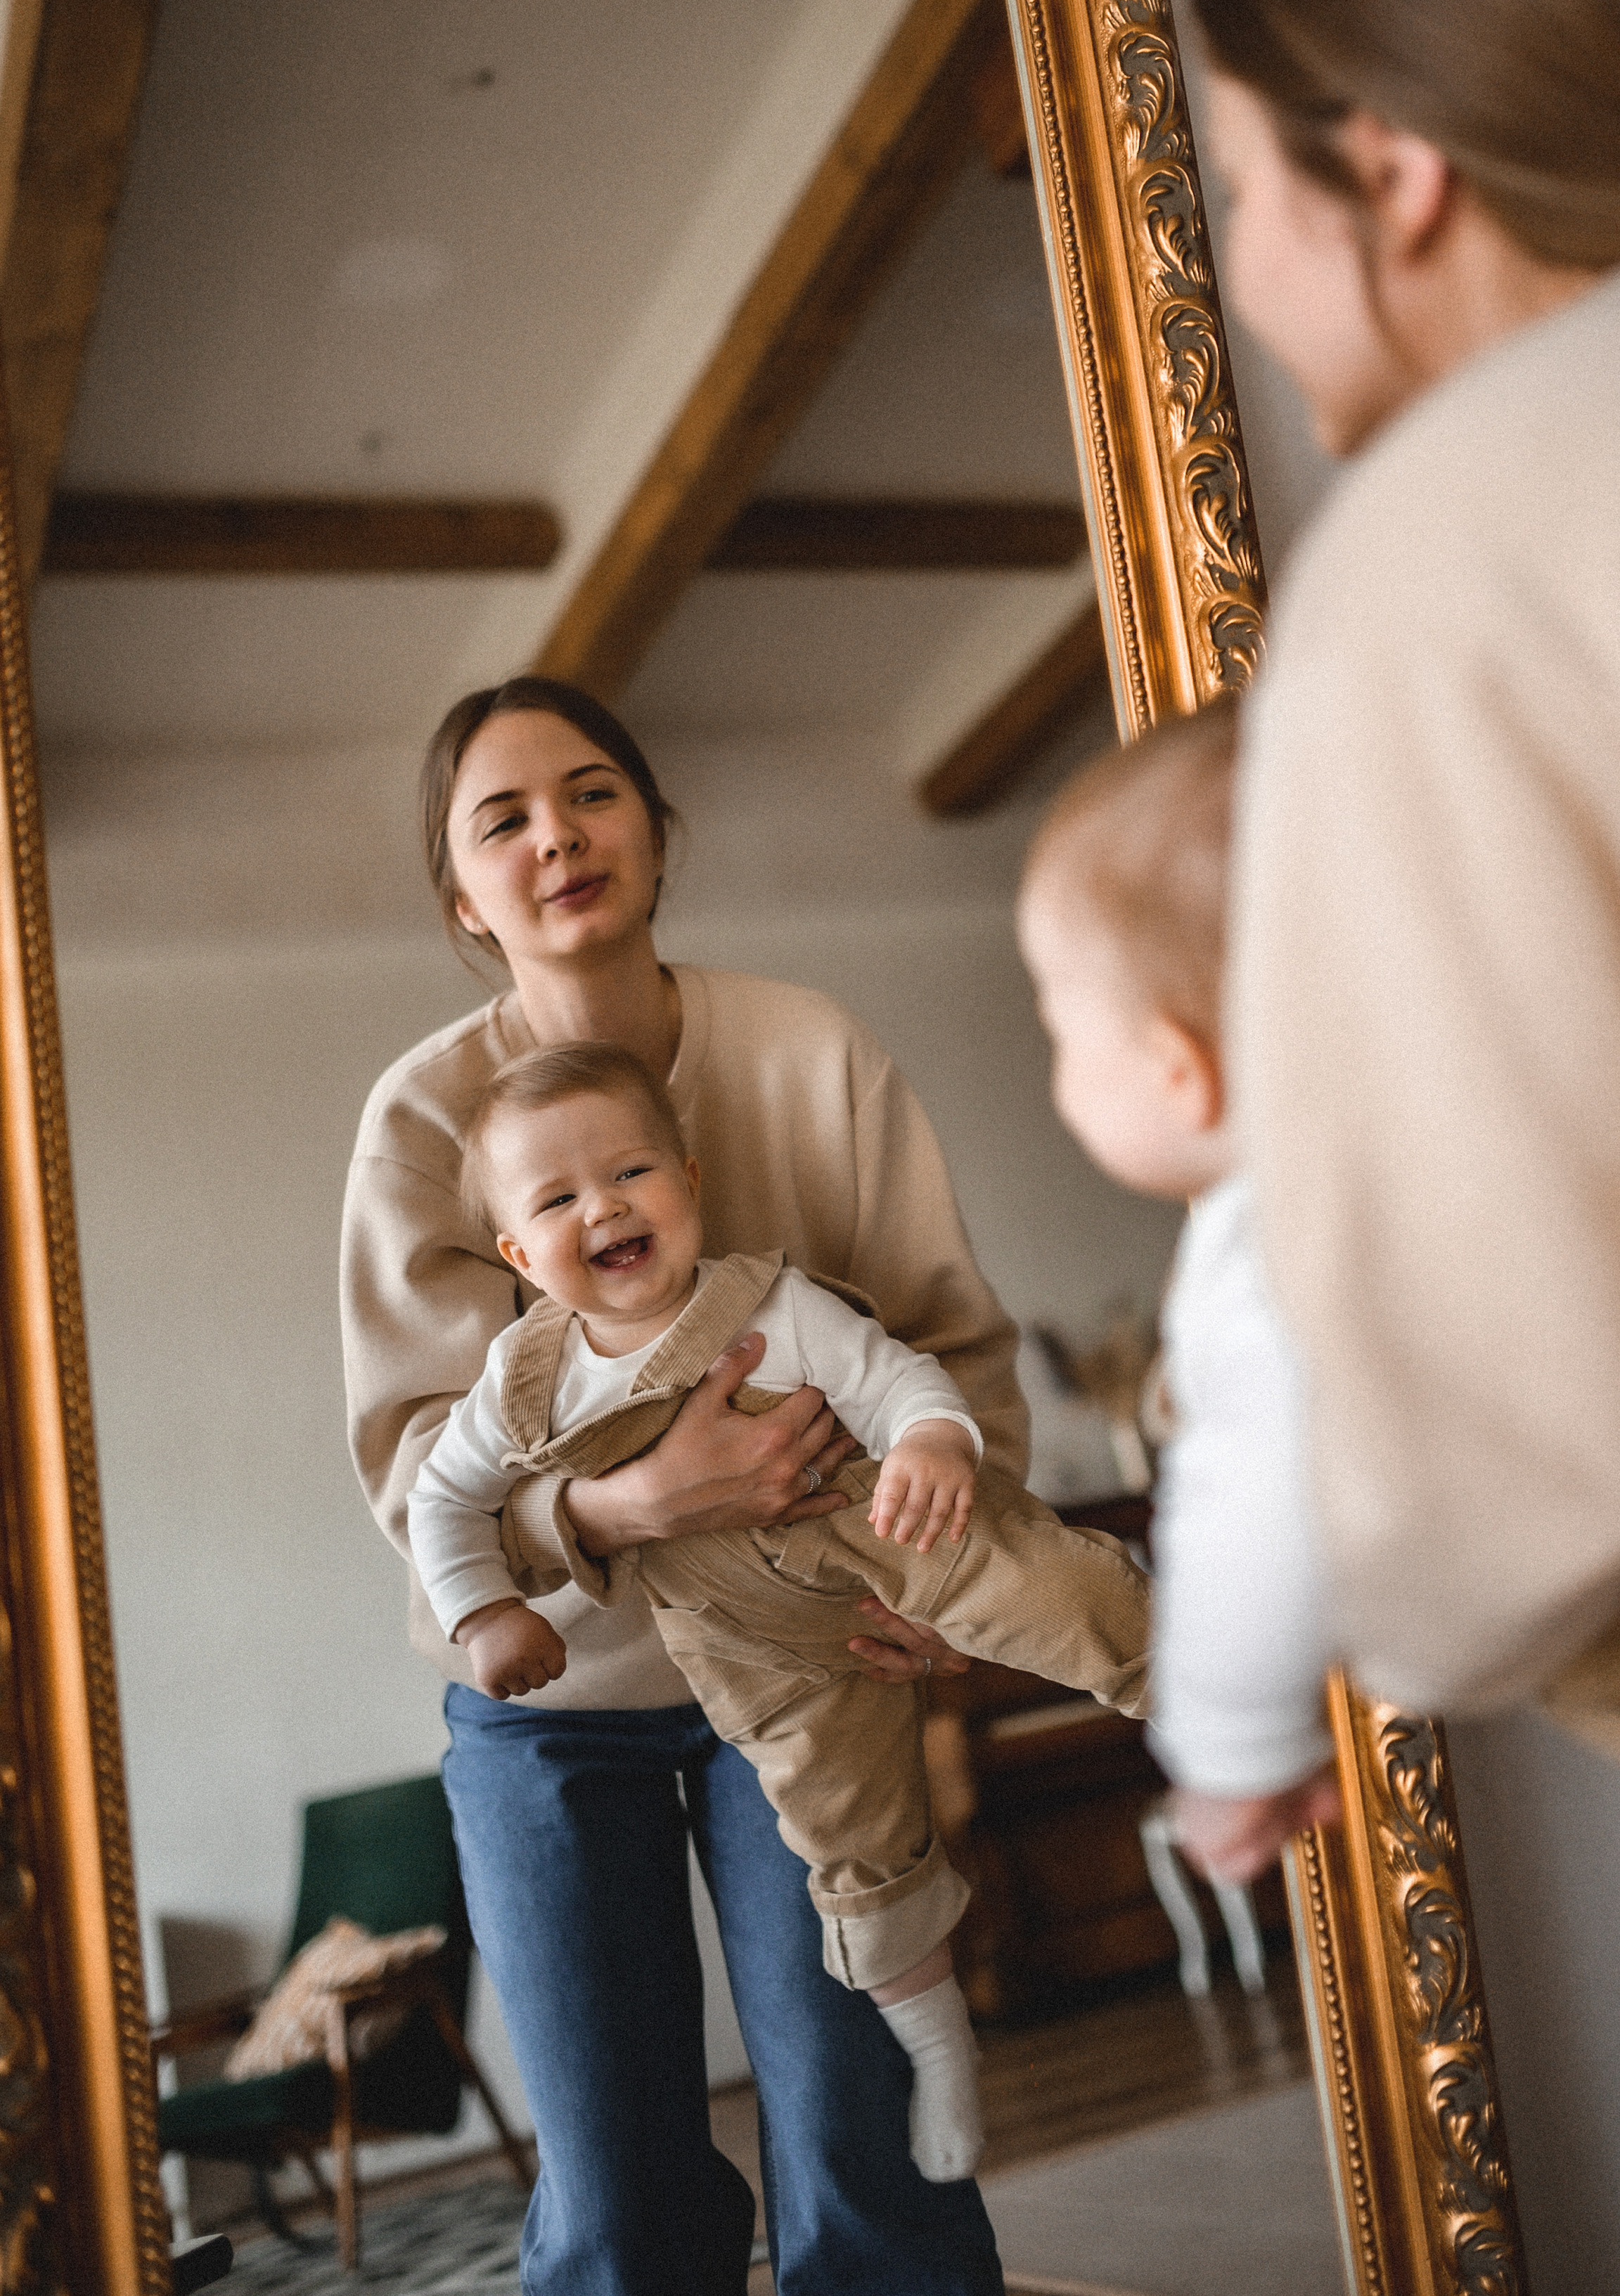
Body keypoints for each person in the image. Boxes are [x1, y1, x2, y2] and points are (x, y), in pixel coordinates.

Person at [1186, 0, 1620, 1803]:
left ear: (1396, 167)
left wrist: (1357, 1632)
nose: (1245, 260)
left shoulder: (1478, 524)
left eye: (1245, 176)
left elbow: (1487, 1424)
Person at [342, 673, 1019, 2296]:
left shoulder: (808, 1050)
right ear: (459, 894)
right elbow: (411, 1469)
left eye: (589, 792)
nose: (555, 836)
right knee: (617, 2202)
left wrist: (952, 1587)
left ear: (655, 829)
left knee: (865, 2150)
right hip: (549, 1707)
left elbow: (953, 1345)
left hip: (808, 1667)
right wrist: (634, 1509)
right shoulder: (421, 1120)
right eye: (499, 818)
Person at [408, 1040, 1150, 2182]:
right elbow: (442, 1501)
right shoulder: (524, 1381)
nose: (603, 1205)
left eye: (630, 1173)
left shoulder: (770, 1304)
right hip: (749, 1646)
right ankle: (933, 2032)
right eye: (558, 1198)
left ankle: (1200, 1688)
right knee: (850, 1844)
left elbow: (898, 1378)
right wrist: (485, 1613)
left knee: (1048, 1583)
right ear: (517, 1250)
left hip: (876, 1529)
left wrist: (935, 1441)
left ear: (690, 1182)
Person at [1014, 710, 1340, 1885]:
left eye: (1057, 1024)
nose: (1056, 1072)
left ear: (1176, 1068)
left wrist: (1236, 1753)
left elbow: (1257, 1504)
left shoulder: (1266, 1247)